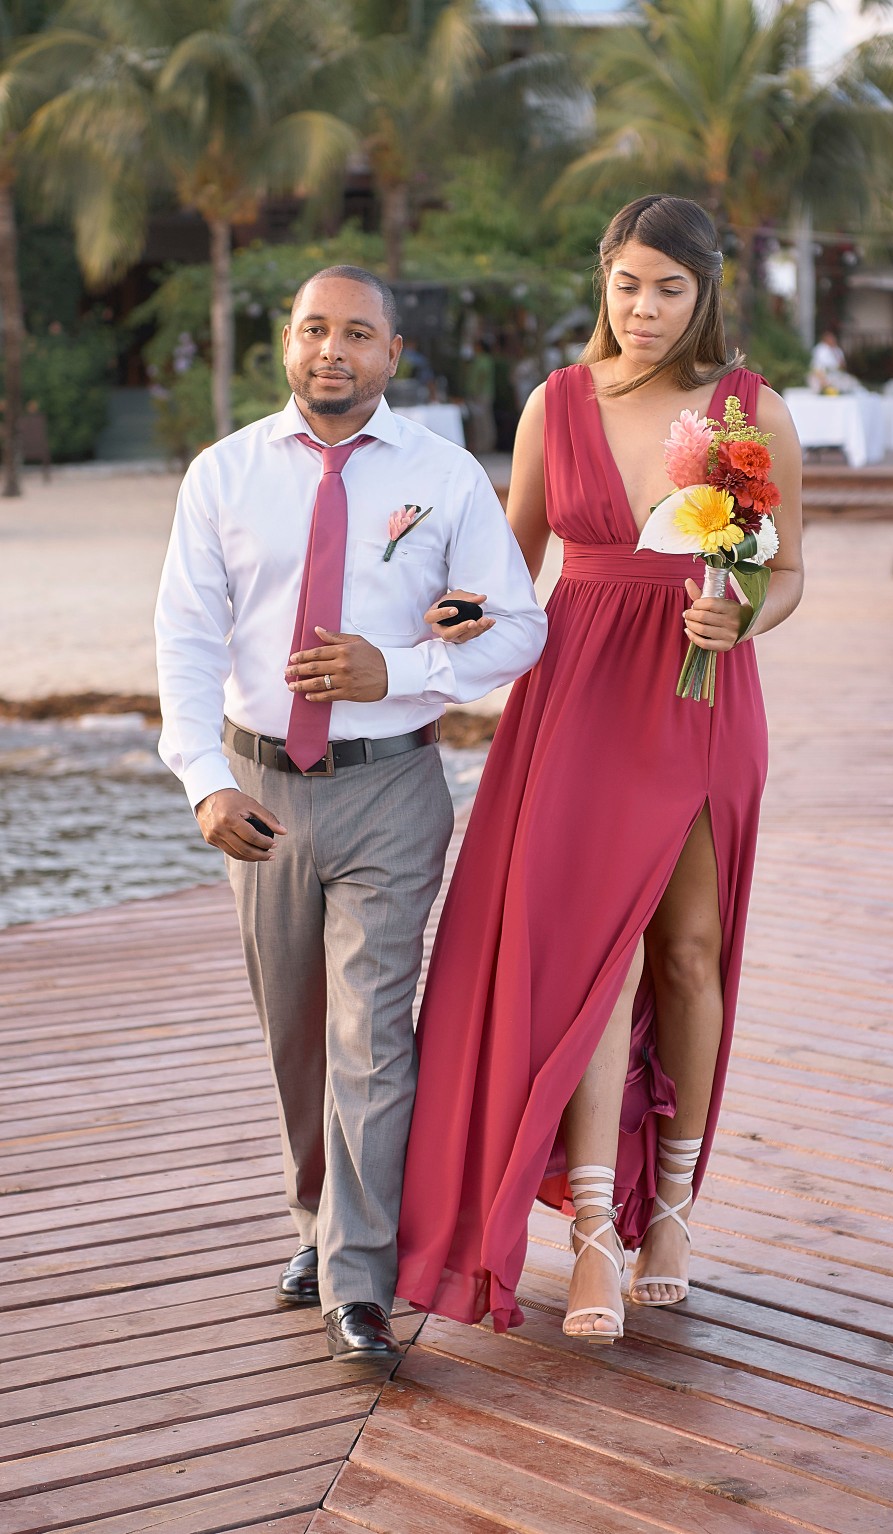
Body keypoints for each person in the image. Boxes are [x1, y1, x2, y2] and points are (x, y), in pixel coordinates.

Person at [396, 195, 804, 1341]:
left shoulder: (752, 412)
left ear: (706, 291)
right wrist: (449, 621)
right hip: (574, 700)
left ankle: (668, 1209)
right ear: (604, 283)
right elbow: (508, 564)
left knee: (683, 951)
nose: (643, 308)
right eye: (627, 284)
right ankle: (586, 1233)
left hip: (700, 694)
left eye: (668, 288)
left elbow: (792, 573)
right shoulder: (553, 404)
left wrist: (746, 618)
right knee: (589, 963)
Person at [155, 265, 546, 1362]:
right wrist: (204, 782)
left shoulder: (445, 476)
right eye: (314, 329)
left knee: (370, 1033)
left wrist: (402, 669)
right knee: (295, 1034)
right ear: (289, 343)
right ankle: (316, 1221)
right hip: (258, 794)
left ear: (391, 355)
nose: (333, 349)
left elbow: (517, 628)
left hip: (391, 787)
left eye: (357, 333)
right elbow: (185, 638)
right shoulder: (223, 475)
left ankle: (357, 1280)